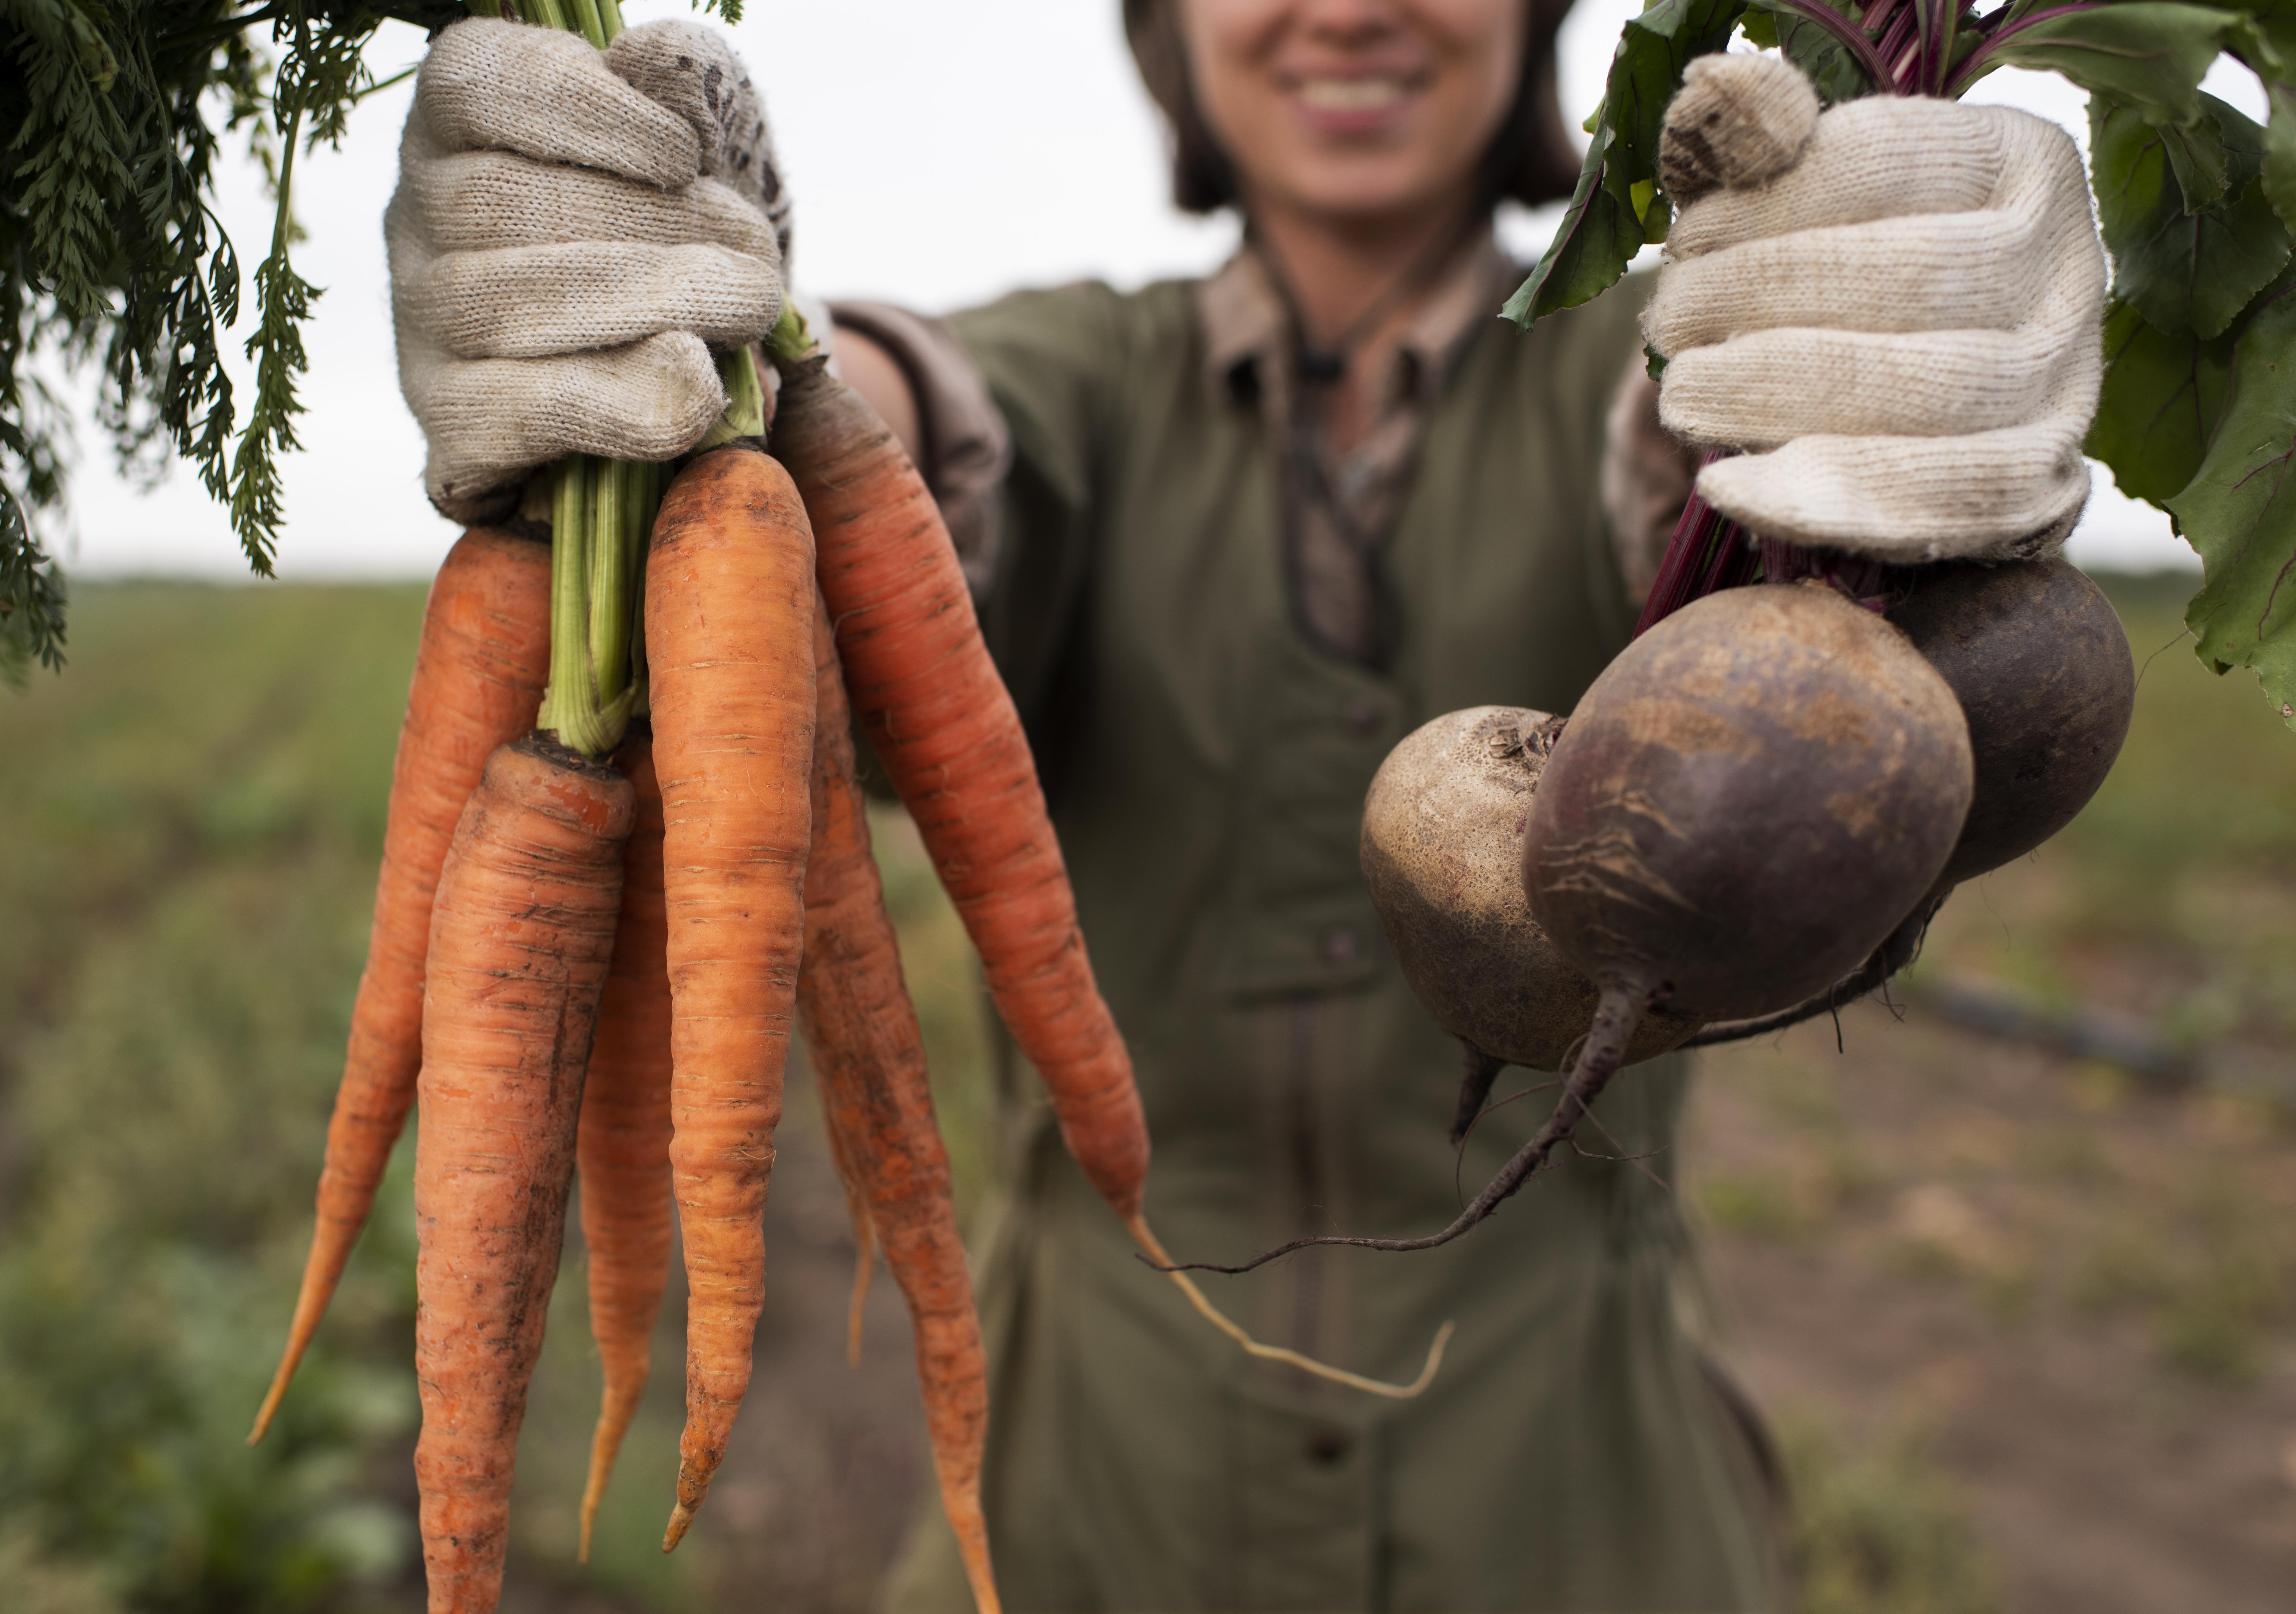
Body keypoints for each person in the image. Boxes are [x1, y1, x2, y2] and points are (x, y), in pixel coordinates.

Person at [387, 4, 2102, 1607]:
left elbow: (1689, 451)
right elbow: (935, 454)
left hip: (1579, 1506)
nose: (1344, 9)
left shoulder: (1640, 366)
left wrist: (1852, 388)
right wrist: (723, 368)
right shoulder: (1084, 375)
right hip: (1090, 1510)